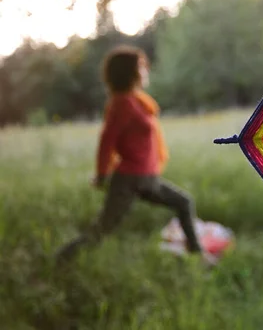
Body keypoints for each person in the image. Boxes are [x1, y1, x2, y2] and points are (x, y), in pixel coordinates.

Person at [56, 45, 212, 264]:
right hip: (129, 179)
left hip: (148, 178)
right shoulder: (122, 103)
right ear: (129, 72)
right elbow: (106, 141)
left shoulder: (137, 101)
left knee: (184, 203)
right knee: (102, 229)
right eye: (141, 67)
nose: (145, 71)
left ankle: (197, 255)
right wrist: (102, 175)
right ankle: (61, 260)